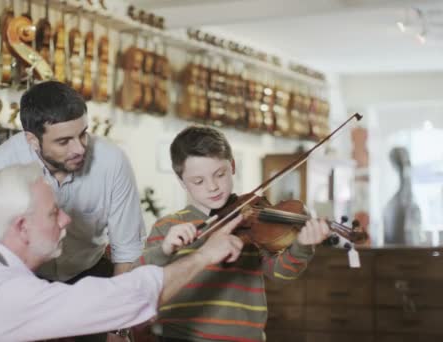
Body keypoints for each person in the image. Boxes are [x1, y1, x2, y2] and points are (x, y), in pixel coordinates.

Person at [0, 163, 245, 341]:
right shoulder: (1, 292)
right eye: (54, 213)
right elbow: (121, 298)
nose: (67, 219)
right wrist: (202, 256)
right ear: (22, 227)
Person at [0, 81, 145, 340]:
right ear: (32, 140)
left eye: (83, 134)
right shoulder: (1, 166)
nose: (79, 148)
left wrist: (118, 321)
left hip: (89, 276)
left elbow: (127, 249)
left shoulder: (112, 162)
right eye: (64, 141)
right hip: (27, 283)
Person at [134, 126, 331, 342]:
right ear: (182, 181)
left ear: (233, 166)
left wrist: (301, 246)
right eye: (198, 181)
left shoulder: (252, 220)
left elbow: (281, 273)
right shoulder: (169, 226)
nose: (212, 187)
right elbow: (139, 280)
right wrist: (164, 250)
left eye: (220, 174)